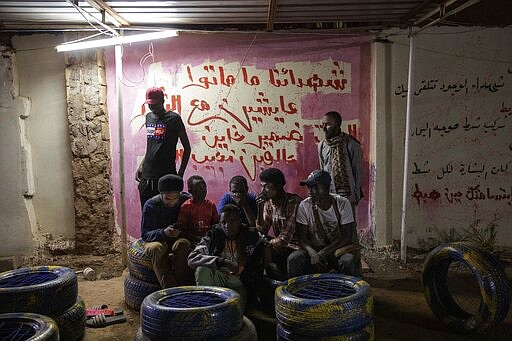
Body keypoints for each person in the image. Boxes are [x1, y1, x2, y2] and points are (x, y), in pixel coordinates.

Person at [187, 204, 266, 312]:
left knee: (235, 314)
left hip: (239, 280)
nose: (227, 226)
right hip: (218, 277)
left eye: (232, 221)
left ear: (239, 221)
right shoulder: (214, 235)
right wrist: (221, 262)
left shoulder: (250, 235)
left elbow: (265, 244)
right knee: (202, 270)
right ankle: (207, 309)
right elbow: (192, 258)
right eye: (223, 222)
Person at [288, 170, 361, 278]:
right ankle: (296, 292)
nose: (311, 191)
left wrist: (323, 253)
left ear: (327, 188)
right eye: (309, 187)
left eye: (316, 187)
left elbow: (346, 236)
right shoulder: (304, 206)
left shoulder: (342, 203)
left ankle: (350, 292)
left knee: (348, 261)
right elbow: (302, 239)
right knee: (294, 259)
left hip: (336, 249)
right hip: (315, 249)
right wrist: (312, 252)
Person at [136, 86, 191, 210]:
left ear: (162, 101)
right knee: (147, 213)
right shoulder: (148, 117)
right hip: (146, 176)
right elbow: (151, 145)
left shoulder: (174, 119)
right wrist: (142, 165)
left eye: (154, 104)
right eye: (149, 104)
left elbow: (187, 148)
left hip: (166, 176)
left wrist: (180, 174)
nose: (151, 107)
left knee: (167, 216)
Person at [141, 174, 193, 288]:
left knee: (183, 244)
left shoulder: (187, 200)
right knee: (155, 248)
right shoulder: (151, 205)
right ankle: (171, 290)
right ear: (161, 195)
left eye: (175, 198)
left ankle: (183, 286)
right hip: (158, 239)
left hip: (178, 238)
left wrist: (180, 232)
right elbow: (145, 234)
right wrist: (163, 233)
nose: (172, 202)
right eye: (168, 199)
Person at [256, 168, 302, 280]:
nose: (262, 191)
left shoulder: (293, 202)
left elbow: (285, 238)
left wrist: (267, 244)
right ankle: (268, 289)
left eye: (266, 186)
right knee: (256, 246)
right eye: (262, 186)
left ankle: (291, 290)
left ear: (278, 186)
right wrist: (259, 208)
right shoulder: (269, 203)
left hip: (296, 246)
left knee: (294, 258)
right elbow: (262, 231)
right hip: (279, 246)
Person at [318, 111, 363, 216]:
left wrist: (355, 195)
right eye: (323, 124)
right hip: (328, 195)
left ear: (337, 124)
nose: (324, 128)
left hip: (347, 196)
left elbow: (358, 172)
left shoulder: (351, 144)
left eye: (328, 124)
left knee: (348, 227)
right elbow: (322, 171)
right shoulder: (321, 146)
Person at [178, 175, 220, 244]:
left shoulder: (211, 205)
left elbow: (216, 224)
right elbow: (182, 230)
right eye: (198, 189)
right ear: (190, 191)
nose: (203, 191)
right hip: (192, 240)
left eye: (204, 188)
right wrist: (198, 239)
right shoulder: (186, 207)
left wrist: (210, 237)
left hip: (208, 239)